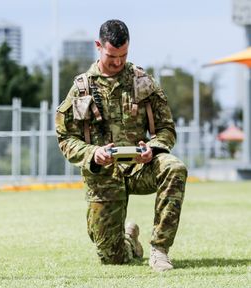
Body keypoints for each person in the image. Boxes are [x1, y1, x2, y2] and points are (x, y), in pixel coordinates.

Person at [55, 19, 187, 272]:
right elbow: (65, 138)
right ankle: (129, 240)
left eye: (123, 55)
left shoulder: (143, 82)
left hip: (140, 169)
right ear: (98, 46)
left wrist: (154, 148)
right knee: (111, 257)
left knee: (174, 168)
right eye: (111, 56)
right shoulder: (81, 88)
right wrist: (94, 153)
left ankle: (159, 251)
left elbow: (166, 128)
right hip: (104, 176)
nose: (117, 62)